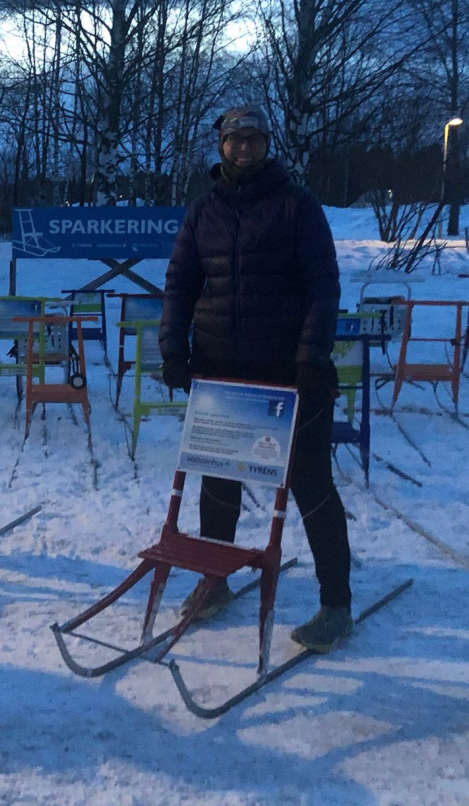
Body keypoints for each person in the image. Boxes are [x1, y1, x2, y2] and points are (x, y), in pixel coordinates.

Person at [159, 104, 353, 652]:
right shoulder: (204, 213)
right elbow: (179, 285)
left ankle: (336, 603)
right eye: (233, 139)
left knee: (311, 486)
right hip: (221, 371)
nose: (243, 147)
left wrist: (312, 357)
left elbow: (323, 285)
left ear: (268, 144)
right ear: (220, 146)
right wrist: (174, 350)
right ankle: (214, 580)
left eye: (253, 139)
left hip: (289, 372)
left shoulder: (297, 206)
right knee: (217, 479)